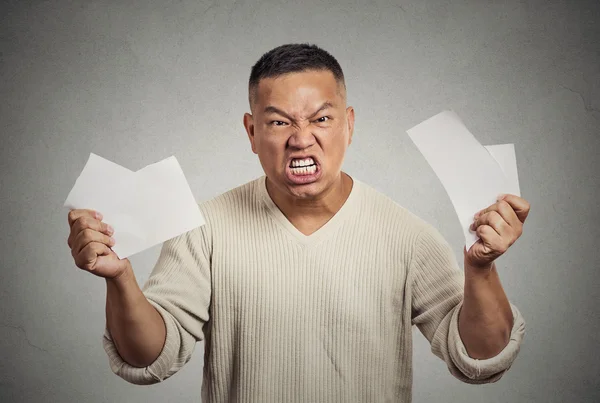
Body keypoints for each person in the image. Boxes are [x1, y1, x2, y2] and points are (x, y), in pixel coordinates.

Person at [66, 43, 529, 402]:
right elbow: (148, 358)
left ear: (348, 125)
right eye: (279, 122)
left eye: (321, 118)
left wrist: (481, 269)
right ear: (251, 132)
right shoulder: (202, 229)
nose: (301, 139)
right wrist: (121, 278)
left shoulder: (408, 236)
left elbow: (479, 359)